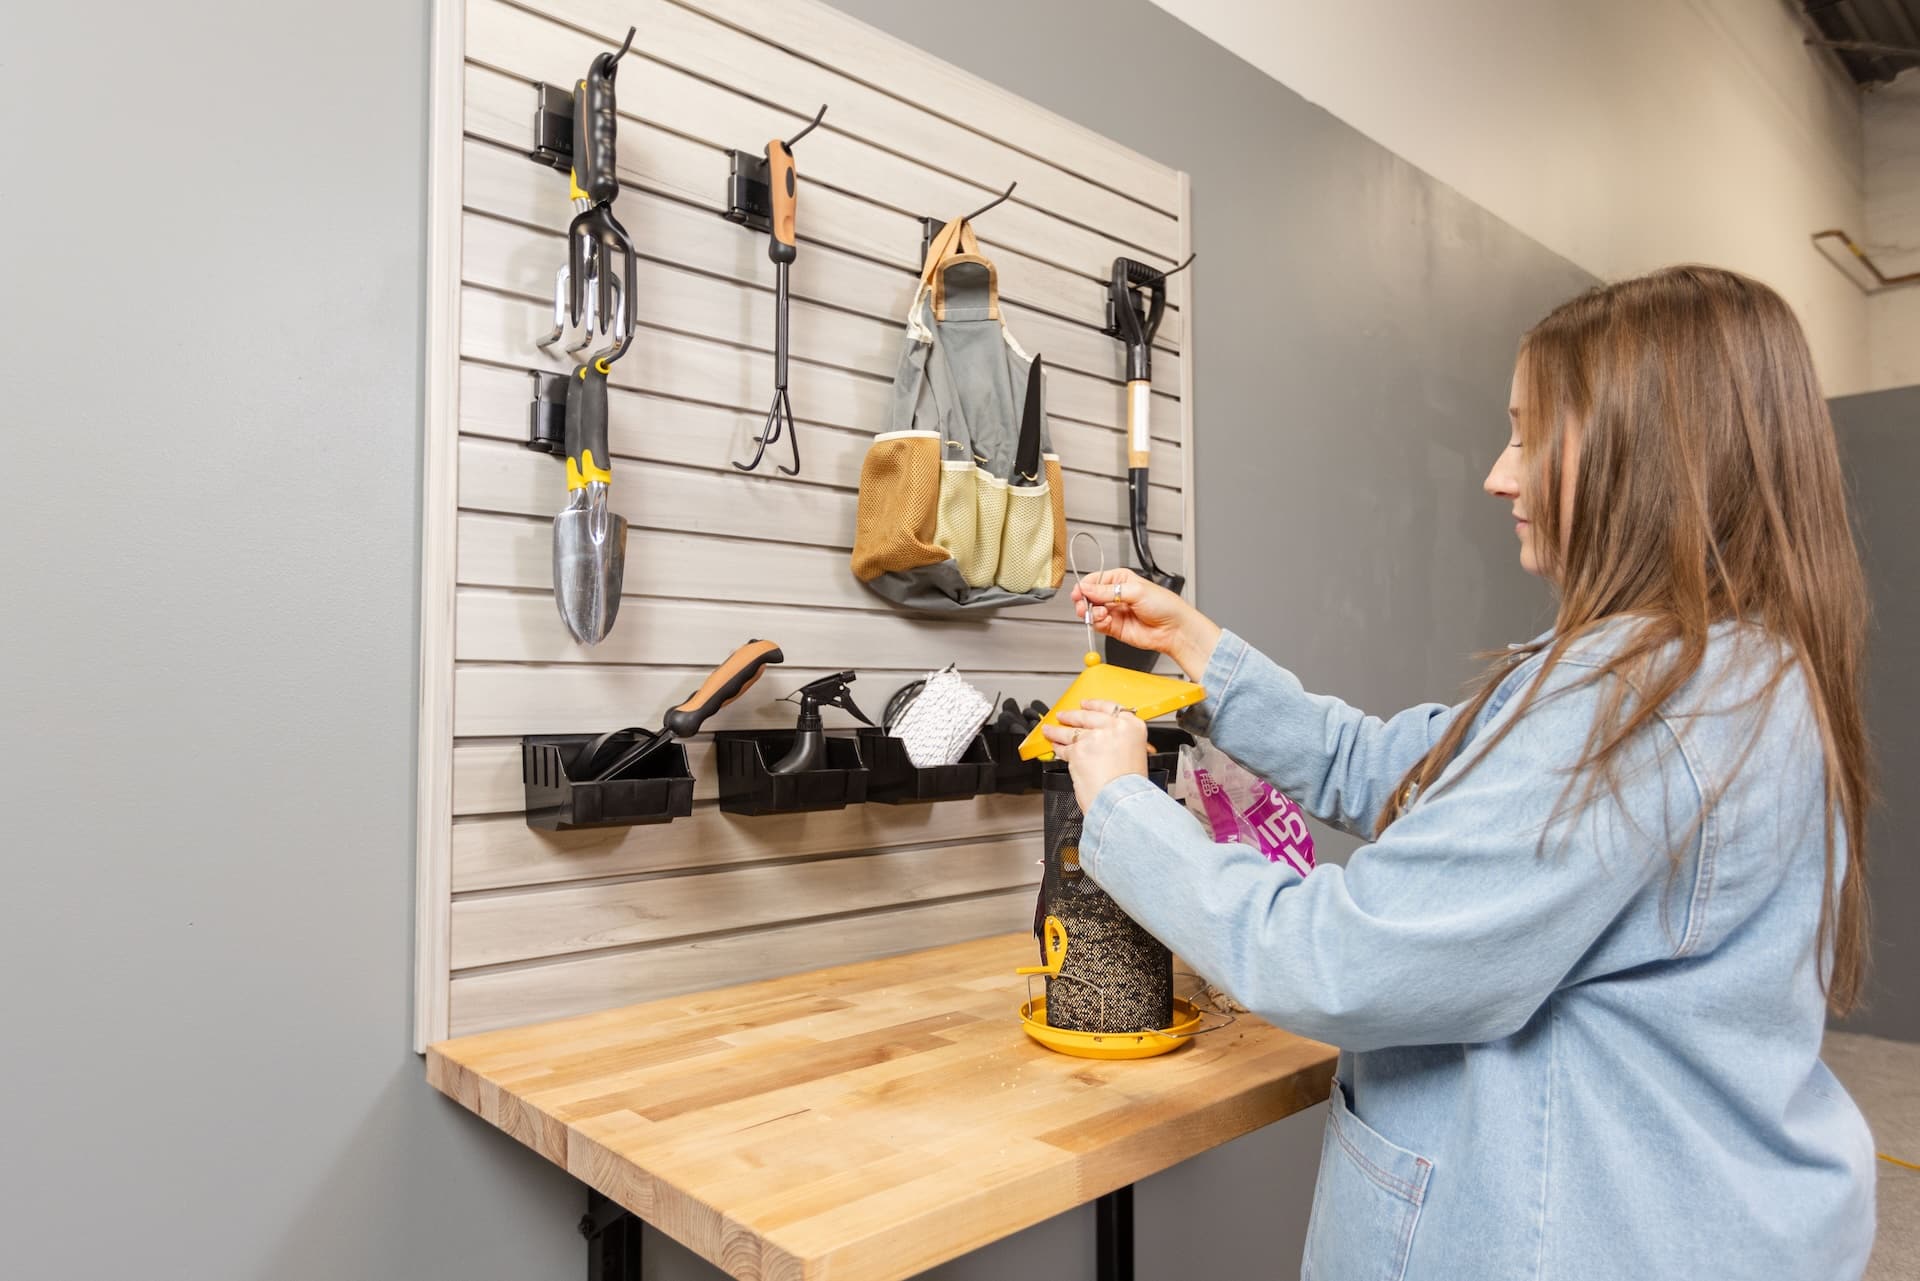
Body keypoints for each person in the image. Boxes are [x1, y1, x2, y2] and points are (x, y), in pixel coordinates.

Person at [1043, 266, 1877, 1280]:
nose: (1497, 474)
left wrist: (1122, 807)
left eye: (1530, 434)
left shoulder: (1643, 710)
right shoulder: (1724, 663)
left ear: (1648, 454)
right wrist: (1203, 654)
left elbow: (1338, 963)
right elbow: (1397, 767)